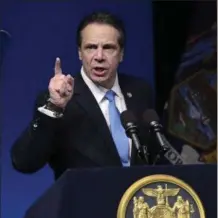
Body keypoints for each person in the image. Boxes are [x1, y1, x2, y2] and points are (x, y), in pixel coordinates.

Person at [10, 11, 154, 180]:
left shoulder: (140, 91)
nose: (99, 56)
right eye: (91, 47)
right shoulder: (57, 100)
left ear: (121, 54)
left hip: (138, 202)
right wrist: (54, 107)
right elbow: (24, 162)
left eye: (108, 48)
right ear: (80, 53)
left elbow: (154, 155)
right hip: (85, 203)